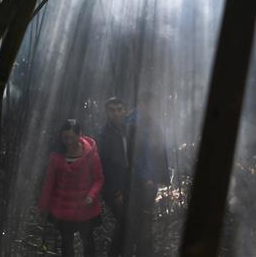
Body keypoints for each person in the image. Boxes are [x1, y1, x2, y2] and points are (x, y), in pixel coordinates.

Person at [38, 119, 105, 257]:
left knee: (88, 243)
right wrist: (43, 206)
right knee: (66, 244)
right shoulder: (56, 157)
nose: (68, 141)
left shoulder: (91, 155)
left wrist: (91, 196)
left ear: (80, 134)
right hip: (63, 207)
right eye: (65, 138)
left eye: (71, 137)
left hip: (85, 207)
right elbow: (49, 183)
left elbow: (99, 179)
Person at [126, 92, 170, 256]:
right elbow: (132, 155)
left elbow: (159, 151)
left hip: (150, 181)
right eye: (149, 105)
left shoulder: (153, 123)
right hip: (138, 182)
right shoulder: (132, 123)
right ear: (142, 105)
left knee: (146, 219)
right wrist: (145, 178)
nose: (152, 108)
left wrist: (159, 177)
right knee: (138, 221)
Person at [98, 97, 131, 257]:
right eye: (112, 110)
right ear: (107, 112)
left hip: (129, 184)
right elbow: (108, 165)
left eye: (119, 109)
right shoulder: (104, 134)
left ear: (125, 111)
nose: (116, 113)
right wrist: (117, 191)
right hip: (114, 187)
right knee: (125, 222)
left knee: (128, 224)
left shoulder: (129, 129)